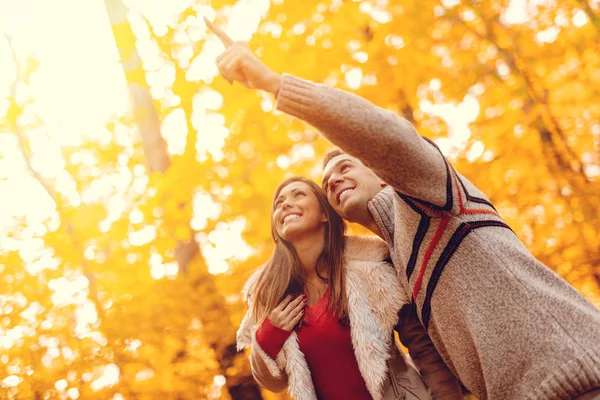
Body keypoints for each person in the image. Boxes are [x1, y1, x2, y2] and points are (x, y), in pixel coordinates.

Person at [205, 18, 600, 400]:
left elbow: (386, 137)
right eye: (327, 182)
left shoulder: (428, 196)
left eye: (346, 167)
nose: (334, 181)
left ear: (381, 174)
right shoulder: (398, 257)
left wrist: (274, 84)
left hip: (577, 377)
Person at [236, 177, 462, 399]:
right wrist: (268, 335)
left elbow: (422, 348)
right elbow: (273, 383)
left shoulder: (370, 269)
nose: (285, 204)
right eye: (278, 203)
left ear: (325, 214)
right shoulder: (272, 293)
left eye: (299, 194)